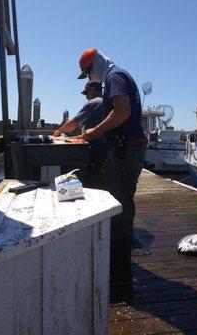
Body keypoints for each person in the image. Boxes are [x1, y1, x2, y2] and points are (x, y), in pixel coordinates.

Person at [77, 48, 147, 299]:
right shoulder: (113, 77)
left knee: (120, 211)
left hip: (125, 151)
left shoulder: (114, 77)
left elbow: (122, 112)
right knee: (121, 207)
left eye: (87, 72)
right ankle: (119, 272)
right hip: (126, 149)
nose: (88, 78)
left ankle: (120, 279)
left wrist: (95, 130)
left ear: (95, 64)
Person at [54, 80, 107, 188]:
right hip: (108, 147)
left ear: (92, 90)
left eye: (86, 93)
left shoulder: (94, 102)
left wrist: (59, 131)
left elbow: (73, 124)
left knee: (76, 169)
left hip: (96, 147)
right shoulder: (108, 102)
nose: (86, 97)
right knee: (100, 180)